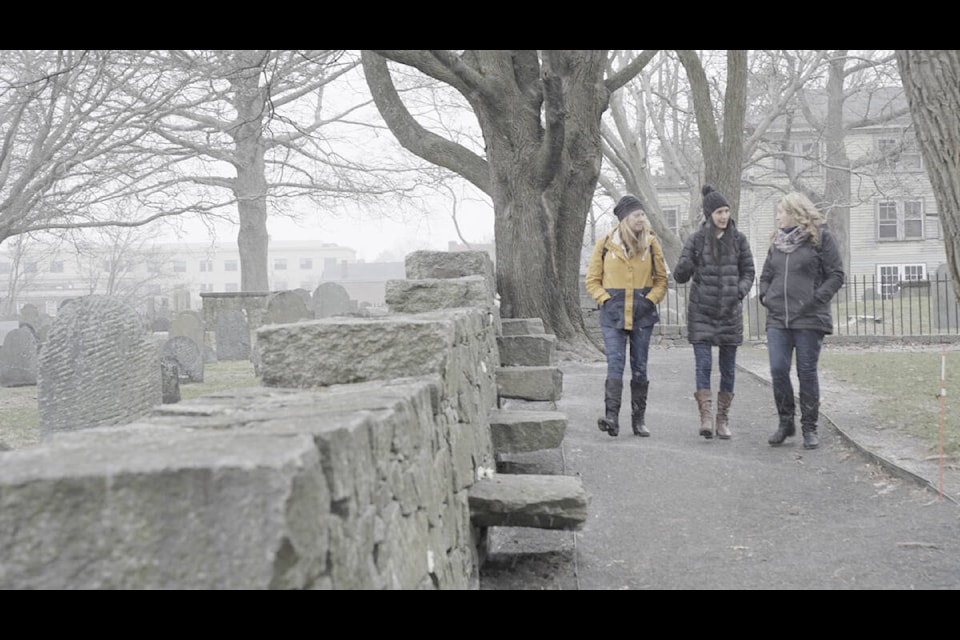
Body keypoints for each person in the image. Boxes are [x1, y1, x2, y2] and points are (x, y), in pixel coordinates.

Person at [758, 191, 845, 450]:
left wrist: (816, 299)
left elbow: (836, 274)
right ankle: (786, 422)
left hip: (809, 319)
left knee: (806, 373)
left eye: (780, 212)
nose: (777, 217)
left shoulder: (821, 238)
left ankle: (810, 427)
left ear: (795, 213)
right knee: (777, 369)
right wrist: (765, 295)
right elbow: (766, 275)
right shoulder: (776, 241)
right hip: (778, 319)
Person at [673, 185, 756, 440]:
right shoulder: (696, 240)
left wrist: (738, 291)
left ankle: (722, 419)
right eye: (719, 211)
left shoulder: (739, 240)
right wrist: (687, 262)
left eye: (726, 211)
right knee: (704, 366)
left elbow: (749, 272)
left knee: (728, 368)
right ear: (709, 214)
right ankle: (706, 418)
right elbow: (679, 276)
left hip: (729, 313)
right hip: (702, 313)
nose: (723, 216)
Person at [585, 194, 669, 437]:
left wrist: (650, 300)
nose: (641, 219)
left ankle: (638, 421)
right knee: (615, 364)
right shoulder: (605, 245)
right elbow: (592, 281)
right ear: (624, 219)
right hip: (613, 316)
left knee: (640, 367)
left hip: (643, 314)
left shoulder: (651, 244)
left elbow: (662, 280)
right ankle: (611, 417)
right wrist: (606, 300)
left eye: (642, 214)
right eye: (637, 215)